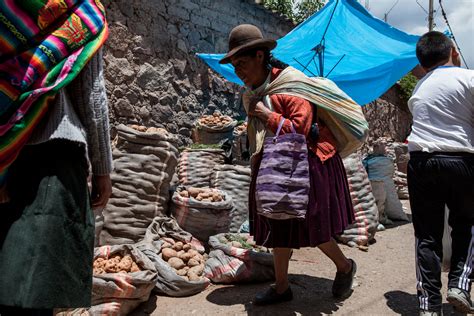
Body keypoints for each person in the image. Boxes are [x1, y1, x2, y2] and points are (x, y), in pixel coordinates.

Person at [220, 24, 358, 305]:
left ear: (260, 56)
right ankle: (282, 287)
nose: (239, 72)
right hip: (276, 164)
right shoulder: (259, 90)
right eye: (235, 67)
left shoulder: (291, 86)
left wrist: (263, 114)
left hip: (309, 163)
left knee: (313, 227)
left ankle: (345, 267)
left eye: (242, 64)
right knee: (277, 226)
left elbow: (300, 129)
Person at [0, 1, 112, 314]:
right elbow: (92, 95)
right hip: (54, 157)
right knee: (38, 287)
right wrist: (103, 169)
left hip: (5, 155)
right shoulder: (81, 16)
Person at [406, 31, 474, 316]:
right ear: (452, 52)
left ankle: (429, 306)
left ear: (422, 63)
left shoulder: (418, 90)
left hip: (420, 161)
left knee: (427, 235)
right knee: (467, 225)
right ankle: (459, 283)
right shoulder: (468, 78)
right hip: (461, 160)